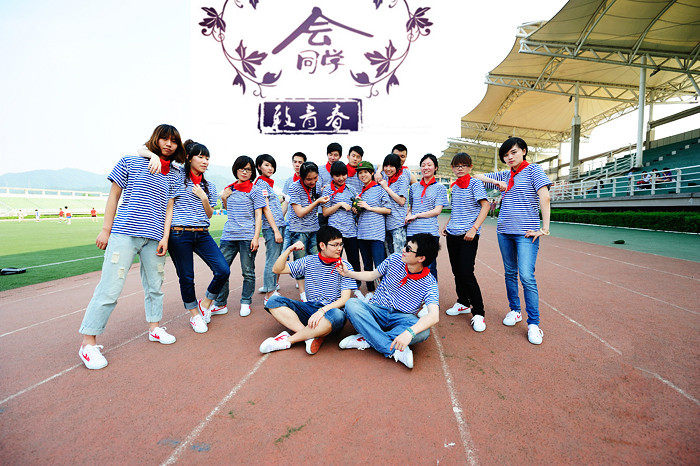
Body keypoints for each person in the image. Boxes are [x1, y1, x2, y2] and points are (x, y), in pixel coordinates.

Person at [78, 124, 185, 370]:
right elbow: (114, 196)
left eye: (174, 141)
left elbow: (169, 207)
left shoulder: (175, 173)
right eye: (164, 139)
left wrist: (165, 238)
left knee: (155, 286)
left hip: (154, 238)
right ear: (155, 139)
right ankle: (88, 343)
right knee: (110, 288)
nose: (169, 144)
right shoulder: (130, 161)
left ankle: (154, 328)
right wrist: (106, 230)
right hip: (124, 234)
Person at [473, 137, 551, 345]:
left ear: (524, 151)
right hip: (504, 231)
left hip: (526, 233)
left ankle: (533, 323)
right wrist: (496, 182)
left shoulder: (534, 170)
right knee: (509, 272)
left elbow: (544, 197)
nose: (509, 157)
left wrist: (544, 228)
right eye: (506, 155)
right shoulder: (505, 174)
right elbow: (477, 177)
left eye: (514, 152)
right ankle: (515, 310)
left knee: (526, 276)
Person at [337, 234, 440, 369]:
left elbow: (434, 315)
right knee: (351, 304)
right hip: (376, 309)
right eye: (405, 246)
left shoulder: (429, 283)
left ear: (421, 258)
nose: (403, 250)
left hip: (401, 318)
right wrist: (349, 273)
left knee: (424, 331)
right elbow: (372, 275)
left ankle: (369, 338)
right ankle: (392, 348)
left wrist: (409, 333)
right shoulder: (395, 259)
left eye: (408, 249)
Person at [260, 226, 357, 355]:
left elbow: (344, 299)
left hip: (330, 312)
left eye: (340, 244)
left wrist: (322, 311)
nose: (339, 248)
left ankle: (288, 340)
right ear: (322, 245)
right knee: (273, 301)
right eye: (335, 245)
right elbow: (277, 269)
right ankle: (309, 336)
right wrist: (289, 250)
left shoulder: (345, 266)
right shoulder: (309, 261)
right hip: (309, 308)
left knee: (338, 315)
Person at [166, 140, 230, 333]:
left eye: (207, 158)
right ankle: (194, 315)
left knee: (223, 270)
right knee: (186, 277)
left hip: (202, 233)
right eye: (200, 157)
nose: (205, 161)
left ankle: (205, 304)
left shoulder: (210, 185)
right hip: (179, 233)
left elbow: (209, 214)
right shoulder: (176, 176)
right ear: (188, 158)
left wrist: (203, 197)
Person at [441, 152, 489, 332]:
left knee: (467, 272)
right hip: (452, 233)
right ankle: (462, 302)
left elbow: (485, 205)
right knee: (456, 271)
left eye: (463, 165)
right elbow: (456, 210)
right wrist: (447, 225)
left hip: (468, 234)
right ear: (452, 168)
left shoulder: (475, 183)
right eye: (456, 166)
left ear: (470, 167)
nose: (460, 168)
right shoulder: (454, 187)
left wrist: (474, 228)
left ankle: (479, 312)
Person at [215, 156, 266, 317]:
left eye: (248, 170)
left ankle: (245, 302)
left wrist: (256, 237)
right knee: (221, 270)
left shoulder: (255, 190)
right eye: (241, 169)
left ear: (252, 172)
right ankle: (220, 303)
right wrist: (224, 197)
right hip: (229, 235)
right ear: (235, 170)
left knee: (248, 272)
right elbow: (227, 209)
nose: (244, 172)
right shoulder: (229, 189)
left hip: (247, 236)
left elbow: (258, 215)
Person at [287, 161, 330, 301]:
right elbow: (299, 212)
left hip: (314, 229)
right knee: (300, 262)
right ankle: (303, 295)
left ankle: (316, 291)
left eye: (315, 178)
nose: (312, 182)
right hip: (298, 230)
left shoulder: (317, 185)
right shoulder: (294, 187)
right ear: (301, 177)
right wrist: (317, 202)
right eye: (309, 179)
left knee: (317, 261)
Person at [322, 161, 363, 299]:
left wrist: (356, 208)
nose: (341, 178)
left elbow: (357, 208)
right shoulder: (328, 190)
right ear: (332, 176)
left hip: (351, 230)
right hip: (335, 232)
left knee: (354, 260)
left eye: (343, 175)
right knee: (333, 260)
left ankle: (356, 287)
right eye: (337, 175)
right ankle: (333, 289)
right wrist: (339, 204)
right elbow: (325, 212)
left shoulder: (351, 189)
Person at [405, 153, 448, 280]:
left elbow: (437, 210)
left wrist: (416, 215)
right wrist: (409, 214)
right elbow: (411, 207)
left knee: (429, 266)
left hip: (430, 232)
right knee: (411, 265)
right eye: (423, 165)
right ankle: (413, 291)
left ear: (435, 167)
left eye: (429, 165)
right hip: (412, 231)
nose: (426, 168)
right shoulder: (414, 187)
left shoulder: (440, 188)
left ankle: (431, 292)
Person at [355, 161, 391, 298]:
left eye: (365, 172)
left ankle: (384, 293)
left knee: (380, 265)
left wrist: (369, 207)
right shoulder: (360, 192)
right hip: (362, 234)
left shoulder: (380, 189)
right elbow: (359, 213)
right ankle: (371, 291)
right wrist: (356, 210)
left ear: (371, 173)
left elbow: (388, 209)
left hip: (376, 234)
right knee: (367, 265)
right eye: (360, 173)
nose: (363, 175)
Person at [254, 154, 285, 305]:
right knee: (272, 259)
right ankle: (269, 292)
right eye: (266, 165)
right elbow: (265, 208)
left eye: (272, 165)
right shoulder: (261, 183)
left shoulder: (268, 184)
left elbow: (272, 204)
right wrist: (276, 230)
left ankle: (271, 286)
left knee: (276, 257)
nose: (270, 168)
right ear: (259, 167)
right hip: (273, 227)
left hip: (278, 224)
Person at [375, 153, 409, 255]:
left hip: (398, 224)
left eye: (392, 166)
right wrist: (378, 171)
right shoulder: (385, 177)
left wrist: (386, 188)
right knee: (389, 256)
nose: (388, 169)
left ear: (397, 167)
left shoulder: (402, 178)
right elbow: (378, 165)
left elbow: (401, 201)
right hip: (385, 225)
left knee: (399, 256)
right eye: (386, 166)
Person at [282, 152, 306, 252]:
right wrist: (280, 218)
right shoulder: (289, 181)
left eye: (300, 162)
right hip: (290, 222)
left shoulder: (308, 181)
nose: (297, 165)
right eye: (295, 162)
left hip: (305, 224)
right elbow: (285, 200)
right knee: (285, 251)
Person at [317, 142, 342, 226]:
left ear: (340, 156)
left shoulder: (343, 170)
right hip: (323, 209)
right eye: (330, 155)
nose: (332, 158)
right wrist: (323, 189)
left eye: (335, 155)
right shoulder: (320, 170)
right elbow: (317, 188)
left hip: (338, 210)